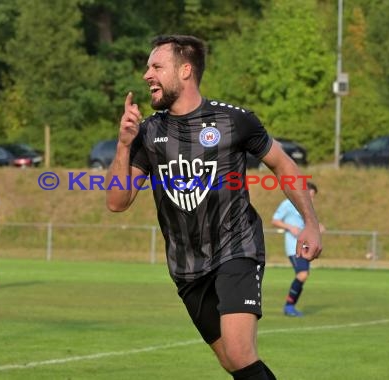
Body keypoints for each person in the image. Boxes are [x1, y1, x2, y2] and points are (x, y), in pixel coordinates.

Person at [106, 35, 322, 380]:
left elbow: (282, 164)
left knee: (240, 351)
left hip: (236, 248)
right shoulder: (147, 133)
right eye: (148, 67)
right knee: (234, 363)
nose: (147, 75)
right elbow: (117, 202)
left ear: (186, 70)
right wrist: (123, 145)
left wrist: (310, 222)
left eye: (156, 66)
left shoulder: (234, 121)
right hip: (186, 266)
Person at [272, 182, 325, 317]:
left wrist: (317, 227)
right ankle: (289, 307)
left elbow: (306, 224)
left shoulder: (307, 208)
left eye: (313, 197)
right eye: (310, 196)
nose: (312, 199)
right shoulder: (288, 204)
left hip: (306, 245)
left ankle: (290, 306)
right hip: (293, 246)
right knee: (302, 274)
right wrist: (290, 227)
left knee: (303, 275)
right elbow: (275, 220)